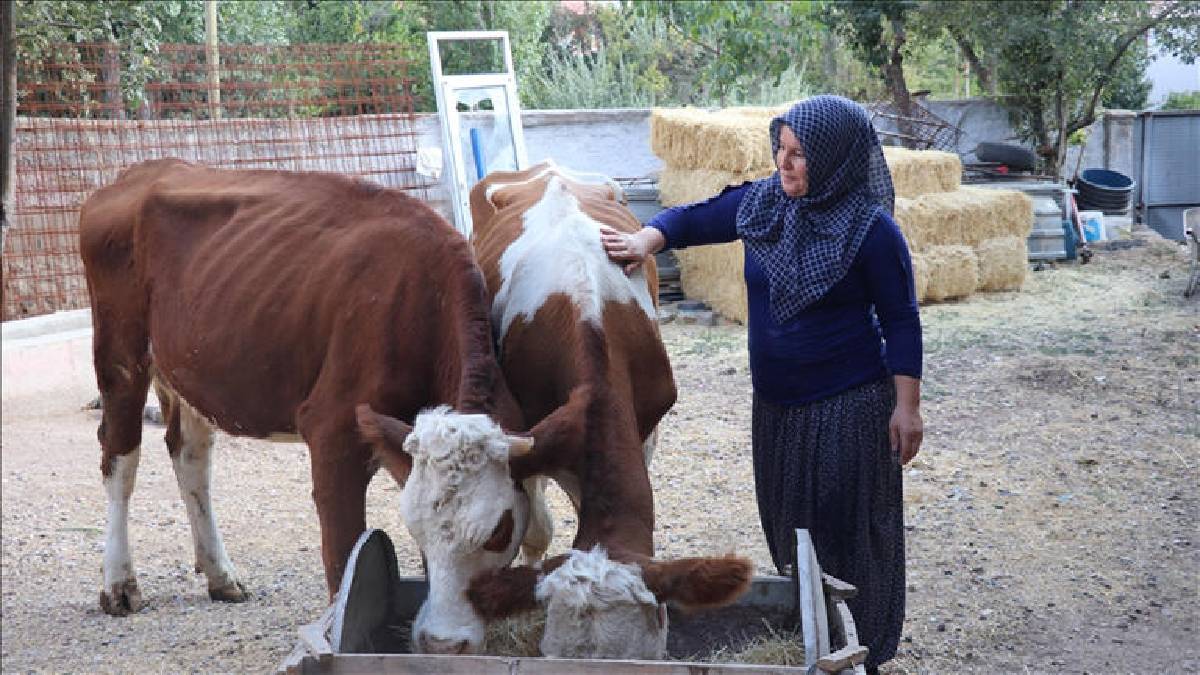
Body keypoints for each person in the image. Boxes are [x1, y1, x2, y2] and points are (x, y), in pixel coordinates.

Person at [601, 95, 923, 673]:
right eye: (781, 147)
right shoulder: (765, 203)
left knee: (845, 530)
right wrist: (648, 240)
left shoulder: (871, 231)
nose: (784, 162)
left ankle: (864, 648)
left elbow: (901, 320)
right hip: (776, 408)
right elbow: (696, 217)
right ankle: (816, 637)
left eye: (800, 155)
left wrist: (907, 408)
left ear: (835, 160)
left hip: (847, 407)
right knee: (789, 526)